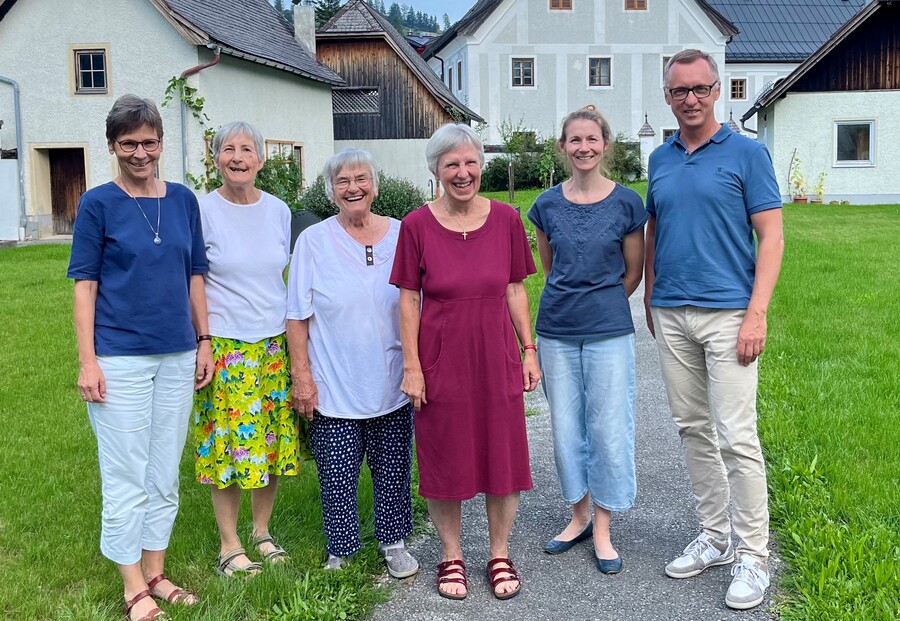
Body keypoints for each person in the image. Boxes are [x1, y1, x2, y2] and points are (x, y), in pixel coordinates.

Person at [645, 49, 784, 610]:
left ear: (717, 89)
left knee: (736, 436)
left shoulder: (749, 153)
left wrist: (757, 313)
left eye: (701, 89)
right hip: (673, 311)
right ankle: (715, 537)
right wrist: (652, 296)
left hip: (730, 312)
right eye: (680, 91)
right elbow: (655, 227)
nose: (691, 99)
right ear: (668, 96)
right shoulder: (660, 158)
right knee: (692, 429)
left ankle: (754, 554)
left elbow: (771, 238)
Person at [68, 94, 211, 621]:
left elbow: (195, 274)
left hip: (177, 353)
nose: (140, 152)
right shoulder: (97, 204)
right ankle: (132, 585)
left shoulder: (182, 201)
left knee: (163, 471)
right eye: (128, 143)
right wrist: (89, 361)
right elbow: (85, 286)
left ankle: (156, 569)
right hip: (120, 357)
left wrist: (204, 340)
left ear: (161, 143)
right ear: (113, 146)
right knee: (126, 472)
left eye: (149, 142)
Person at [390, 123, 541, 601]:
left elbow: (515, 289)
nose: (462, 172)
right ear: (435, 170)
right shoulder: (415, 225)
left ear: (481, 165)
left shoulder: (506, 220)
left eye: (470, 162)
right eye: (451, 164)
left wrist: (528, 350)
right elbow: (408, 299)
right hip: (440, 358)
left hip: (495, 353)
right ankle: (450, 554)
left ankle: (499, 552)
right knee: (444, 454)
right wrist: (412, 366)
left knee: (503, 453)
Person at [286, 148, 419, 579]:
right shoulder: (313, 241)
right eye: (342, 181)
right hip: (334, 383)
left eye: (361, 178)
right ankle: (340, 549)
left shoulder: (403, 234)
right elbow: (296, 315)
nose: (353, 188)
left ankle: (393, 542)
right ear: (330, 191)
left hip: (392, 381)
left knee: (394, 470)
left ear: (375, 186)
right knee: (337, 474)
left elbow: (421, 302)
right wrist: (301, 376)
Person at [527, 106, 647, 573]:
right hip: (557, 329)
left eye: (591, 140)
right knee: (565, 428)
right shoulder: (546, 205)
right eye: (574, 140)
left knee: (609, 428)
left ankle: (603, 524)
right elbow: (550, 267)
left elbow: (632, 272)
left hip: (608, 331)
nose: (583, 148)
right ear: (562, 147)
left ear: (605, 144)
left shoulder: (626, 203)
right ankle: (577, 514)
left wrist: (601, 304)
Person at [193, 121, 302, 577]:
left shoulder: (278, 210)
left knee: (271, 443)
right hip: (225, 343)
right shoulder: (201, 209)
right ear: (215, 158)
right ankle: (228, 544)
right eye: (228, 149)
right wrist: (202, 341)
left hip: (273, 343)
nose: (238, 157)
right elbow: (193, 278)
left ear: (260, 159)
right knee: (231, 448)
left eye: (247, 149)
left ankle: (262, 532)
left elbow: (284, 275)